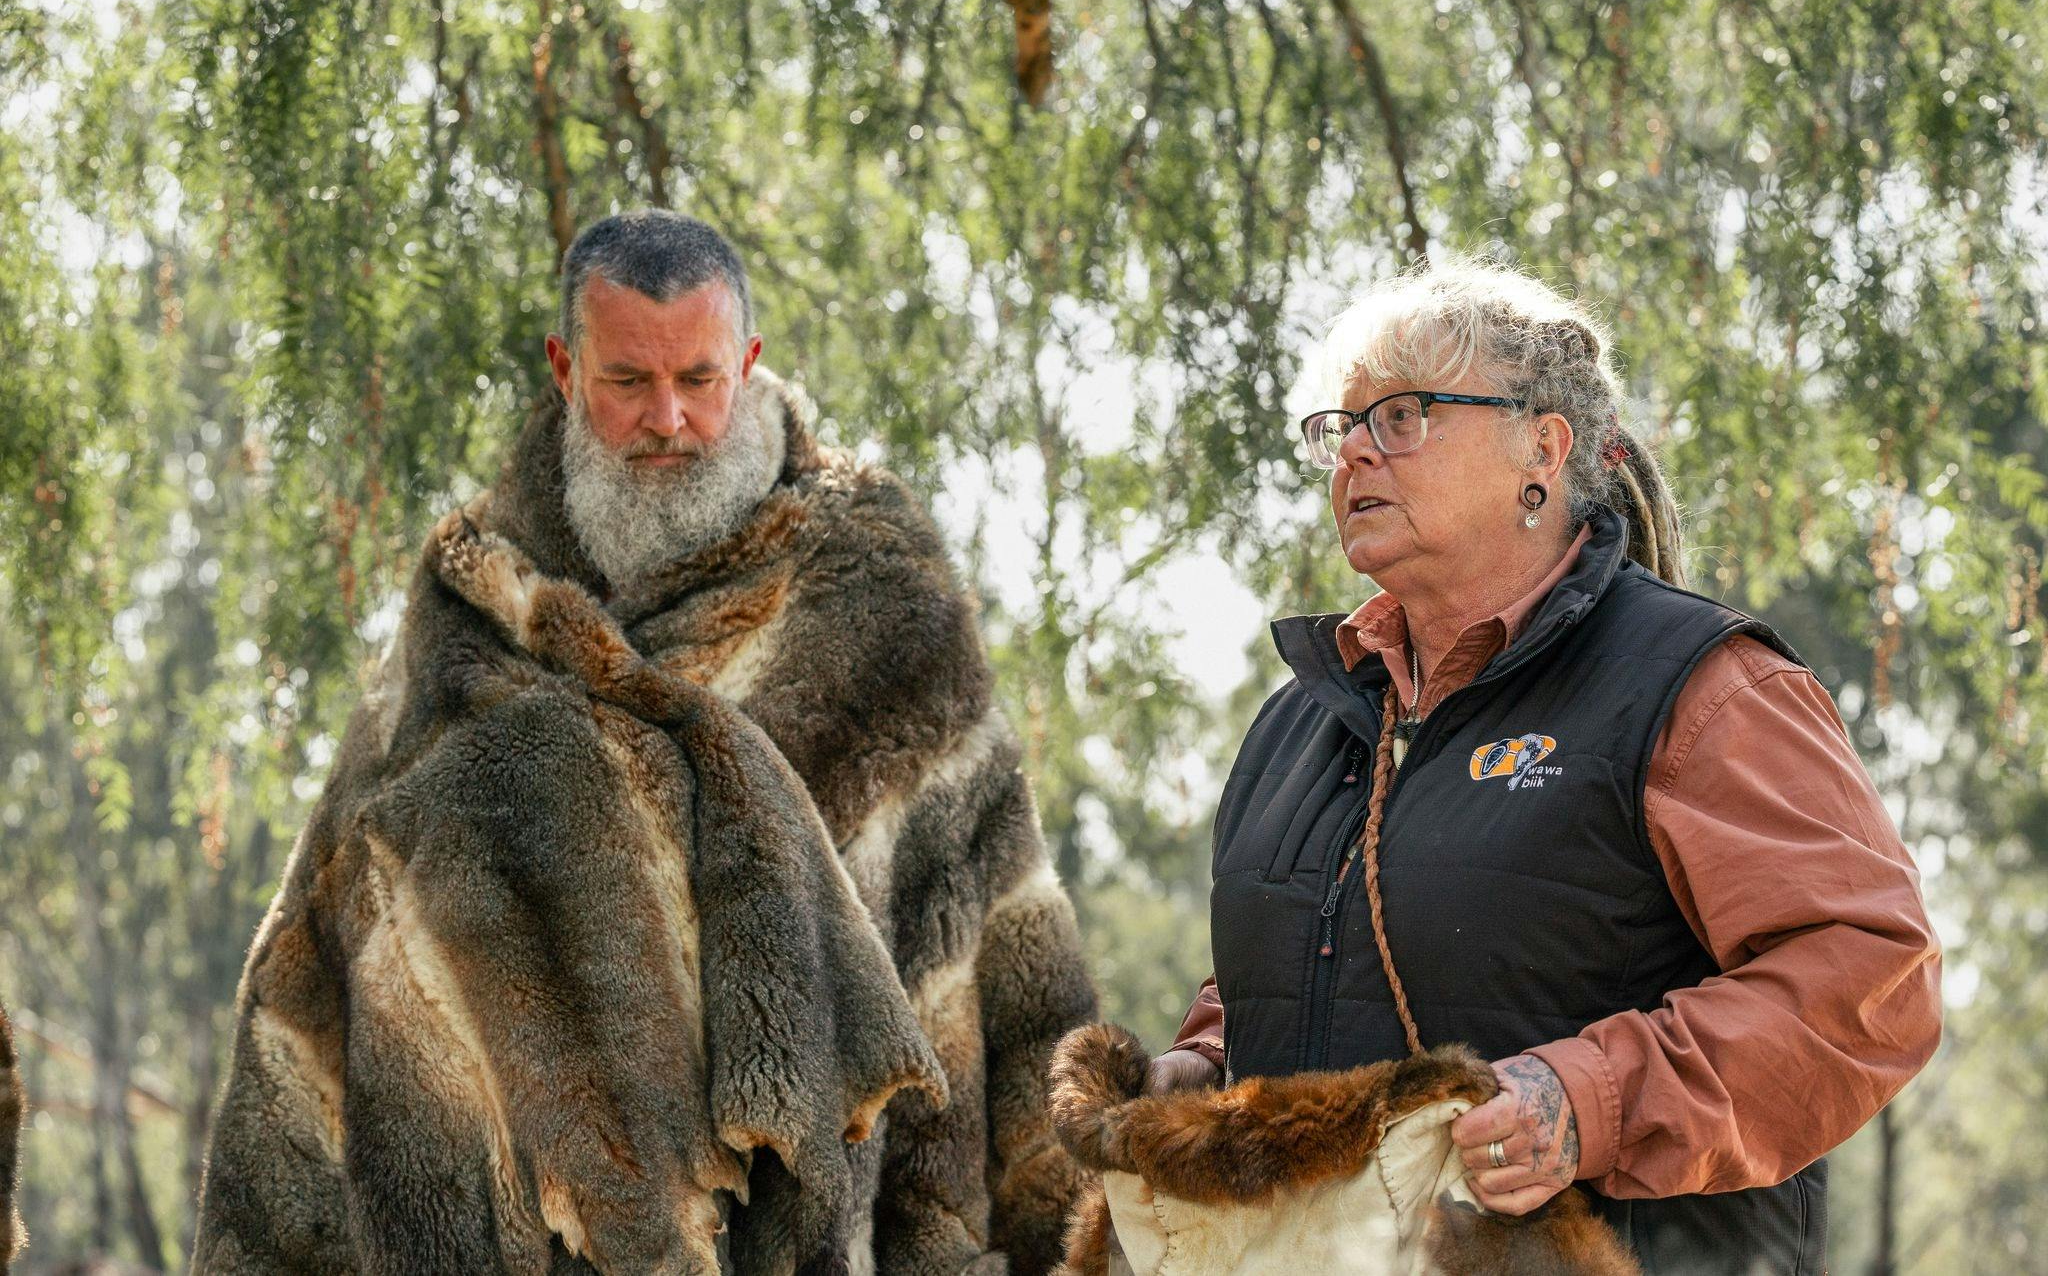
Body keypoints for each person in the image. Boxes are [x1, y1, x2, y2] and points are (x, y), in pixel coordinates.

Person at [193, 211, 1096, 1274]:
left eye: (699, 380)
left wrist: (1061, 1225)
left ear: (749, 364)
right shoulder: (471, 610)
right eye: (627, 382)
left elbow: (1002, 940)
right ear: (566, 367)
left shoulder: (881, 606)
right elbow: (339, 922)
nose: (666, 419)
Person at [1148, 255, 1941, 1274]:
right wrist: (1206, 1065)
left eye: (1399, 415)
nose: (1353, 453)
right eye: (1337, 428)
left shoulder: (1701, 688)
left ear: (1541, 450)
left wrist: (1588, 1101)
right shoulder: (1299, 718)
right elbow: (1293, 957)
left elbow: (1868, 976)